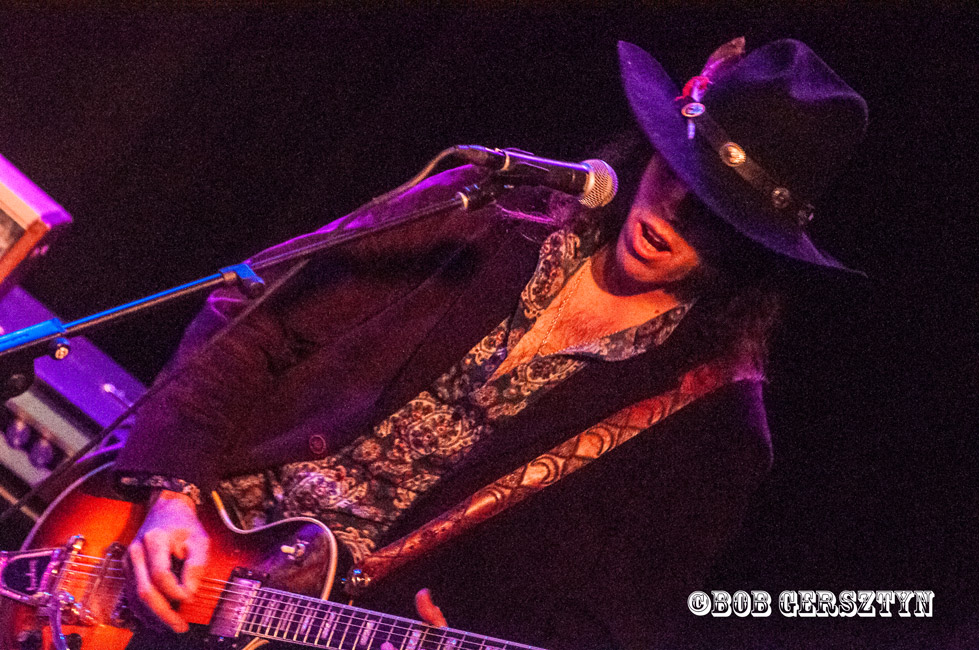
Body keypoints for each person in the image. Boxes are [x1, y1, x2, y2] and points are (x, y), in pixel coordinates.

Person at [114, 36, 867, 649]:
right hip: (180, 527)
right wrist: (173, 493)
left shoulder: (714, 426)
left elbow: (611, 627)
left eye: (714, 214)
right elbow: (255, 319)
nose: (673, 215)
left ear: (749, 247)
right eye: (679, 174)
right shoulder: (488, 214)